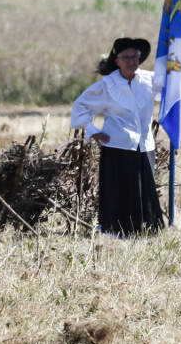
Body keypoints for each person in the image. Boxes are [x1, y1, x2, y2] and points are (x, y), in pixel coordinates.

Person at [70, 37, 164, 236]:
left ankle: (147, 230)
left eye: (135, 57)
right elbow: (80, 106)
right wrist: (93, 131)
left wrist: (176, 67)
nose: (131, 61)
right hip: (117, 144)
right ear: (117, 61)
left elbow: (172, 92)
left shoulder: (151, 80)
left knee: (145, 187)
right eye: (126, 57)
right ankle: (115, 230)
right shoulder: (107, 85)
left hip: (144, 144)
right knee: (119, 189)